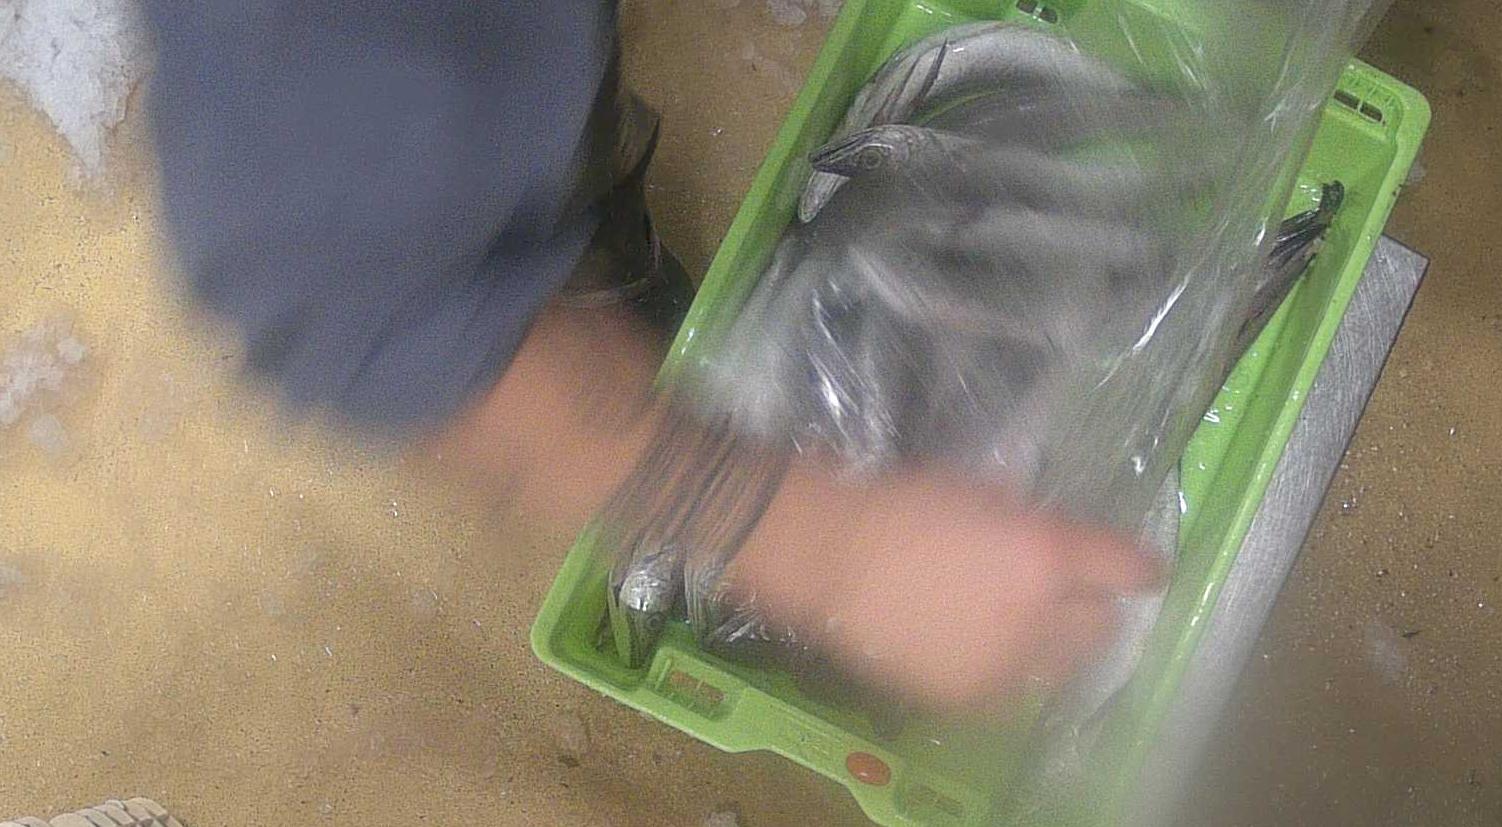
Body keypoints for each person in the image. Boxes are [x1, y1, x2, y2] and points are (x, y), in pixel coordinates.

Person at [141, 0, 1160, 710]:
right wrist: (832, 550)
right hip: (379, 118)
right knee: (484, 185)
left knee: (548, 125)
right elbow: (352, 312)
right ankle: (576, 268)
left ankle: (589, 244)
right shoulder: (310, 90)